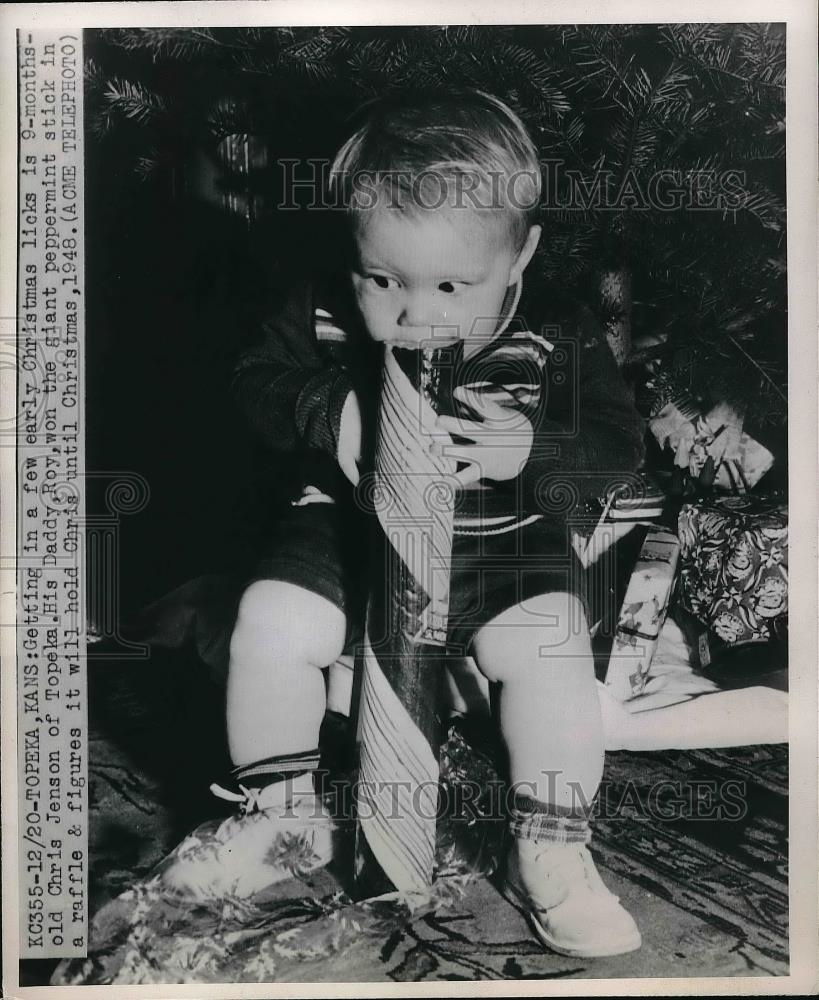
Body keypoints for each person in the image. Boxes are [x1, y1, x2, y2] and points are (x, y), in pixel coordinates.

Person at [159, 89, 646, 959]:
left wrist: (531, 447)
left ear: (520, 255)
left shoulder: (553, 334)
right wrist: (324, 410)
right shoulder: (319, 308)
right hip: (343, 534)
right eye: (381, 279)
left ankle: (549, 848)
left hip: (502, 546)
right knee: (270, 622)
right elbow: (249, 381)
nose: (414, 314)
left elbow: (616, 446)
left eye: (452, 285)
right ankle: (282, 819)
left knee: (552, 643)